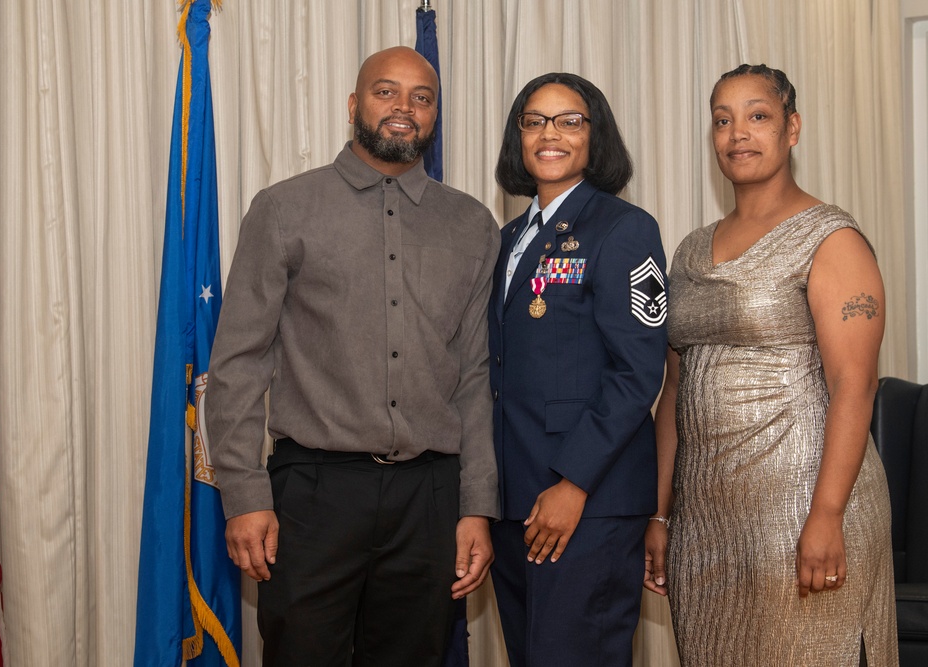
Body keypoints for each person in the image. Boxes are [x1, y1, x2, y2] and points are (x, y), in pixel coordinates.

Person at [205, 46, 500, 666]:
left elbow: (474, 377)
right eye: (385, 92)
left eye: (421, 97)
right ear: (353, 104)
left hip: (429, 498)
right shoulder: (284, 209)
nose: (404, 109)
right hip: (313, 495)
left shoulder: (472, 225)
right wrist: (245, 493)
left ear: (435, 115)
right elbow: (238, 363)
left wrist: (475, 505)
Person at [644, 64, 899, 665]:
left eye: (758, 116)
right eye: (723, 120)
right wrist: (659, 512)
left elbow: (854, 387)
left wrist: (826, 516)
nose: (739, 134)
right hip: (706, 526)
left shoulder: (831, 238)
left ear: (792, 128)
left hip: (805, 508)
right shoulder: (688, 249)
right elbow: (673, 392)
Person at [488, 72, 668, 666]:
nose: (551, 134)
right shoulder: (513, 236)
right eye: (535, 120)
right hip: (515, 497)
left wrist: (575, 482)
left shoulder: (625, 228)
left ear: (596, 137)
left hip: (586, 500)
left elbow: (637, 372)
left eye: (570, 121)